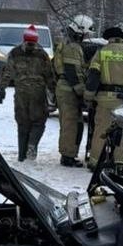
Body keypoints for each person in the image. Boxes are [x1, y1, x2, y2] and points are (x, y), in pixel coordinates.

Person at [84, 24, 123, 171]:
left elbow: (93, 78)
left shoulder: (101, 53)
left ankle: (94, 163)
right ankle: (120, 164)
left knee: (101, 130)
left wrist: (88, 97)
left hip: (105, 99)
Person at [0, 24, 54, 161]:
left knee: (22, 124)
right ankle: (32, 145)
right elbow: (49, 76)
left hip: (21, 93)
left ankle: (22, 156)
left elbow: (7, 72)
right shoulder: (42, 54)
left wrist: (2, 89)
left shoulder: (14, 53)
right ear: (36, 40)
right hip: (38, 94)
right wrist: (53, 92)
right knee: (38, 122)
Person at [54, 14, 94, 167]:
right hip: (68, 90)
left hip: (66, 89)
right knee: (70, 124)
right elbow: (73, 73)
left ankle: (69, 154)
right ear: (80, 31)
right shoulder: (72, 47)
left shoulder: (69, 44)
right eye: (85, 34)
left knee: (73, 123)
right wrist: (83, 93)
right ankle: (67, 157)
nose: (86, 37)